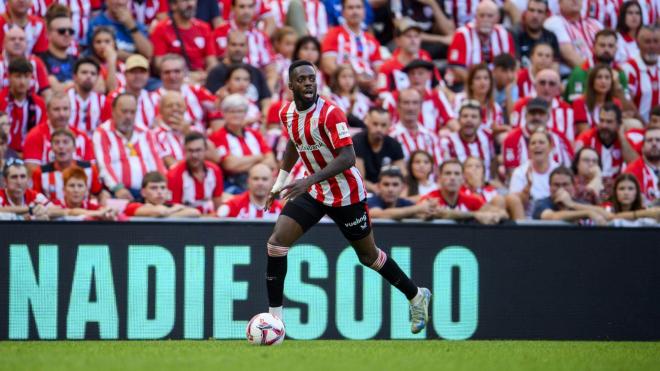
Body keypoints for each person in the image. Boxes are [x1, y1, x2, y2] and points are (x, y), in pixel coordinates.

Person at [263, 60, 432, 333]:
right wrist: (279, 183)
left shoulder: (331, 113)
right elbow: (295, 142)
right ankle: (275, 320)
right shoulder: (287, 113)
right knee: (276, 244)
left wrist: (308, 179)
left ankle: (416, 295)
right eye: (302, 79)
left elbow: (348, 157)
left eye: (312, 78)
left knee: (369, 256)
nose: (308, 83)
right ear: (291, 85)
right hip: (316, 191)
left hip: (346, 194)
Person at [93, 93, 168, 200]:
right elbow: (103, 164)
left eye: (132, 112)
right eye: (124, 111)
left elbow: (156, 161)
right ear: (113, 111)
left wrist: (162, 187)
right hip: (117, 192)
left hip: (147, 193)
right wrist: (117, 187)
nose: (128, 116)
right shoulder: (103, 133)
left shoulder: (145, 132)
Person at [209, 93, 276, 193]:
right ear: (224, 114)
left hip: (259, 181)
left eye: (240, 111)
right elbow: (230, 165)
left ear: (245, 114)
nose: (236, 115)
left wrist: (242, 163)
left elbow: (271, 162)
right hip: (234, 185)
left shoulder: (254, 134)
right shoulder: (218, 136)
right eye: (232, 111)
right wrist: (258, 157)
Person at [446, 0, 515, 85]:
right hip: (465, 86)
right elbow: (457, 69)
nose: (485, 19)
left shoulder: (504, 35)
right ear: (475, 17)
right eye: (481, 15)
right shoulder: (462, 35)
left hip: (497, 87)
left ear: (497, 18)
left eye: (490, 16)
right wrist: (480, 85)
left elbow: (511, 65)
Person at [321, 0, 382, 94]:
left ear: (364, 11)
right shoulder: (334, 34)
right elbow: (327, 65)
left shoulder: (371, 40)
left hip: (369, 90)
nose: (355, 11)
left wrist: (374, 83)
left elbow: (380, 69)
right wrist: (352, 79)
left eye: (358, 7)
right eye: (350, 8)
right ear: (343, 12)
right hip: (341, 91)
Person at [419, 159, 507, 224]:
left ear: (462, 179)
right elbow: (443, 214)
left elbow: (503, 214)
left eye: (457, 174)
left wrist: (496, 216)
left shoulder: (471, 200)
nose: (452, 178)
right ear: (439, 178)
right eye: (448, 173)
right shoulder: (431, 198)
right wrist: (475, 215)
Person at [31, 127, 104, 204]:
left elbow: (100, 194)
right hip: (53, 214)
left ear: (74, 147)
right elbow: (36, 199)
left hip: (83, 214)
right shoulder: (41, 172)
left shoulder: (89, 168)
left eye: (65, 142)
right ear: (51, 148)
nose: (61, 147)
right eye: (57, 143)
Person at [23, 94, 94, 173]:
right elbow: (32, 172)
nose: (61, 114)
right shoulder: (35, 136)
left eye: (65, 109)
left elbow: (90, 170)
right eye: (56, 109)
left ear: (71, 111)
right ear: (47, 112)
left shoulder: (82, 137)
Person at [382, 59, 457, 134]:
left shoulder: (436, 96)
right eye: (412, 73)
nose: (416, 77)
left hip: (430, 142)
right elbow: (383, 121)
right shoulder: (394, 97)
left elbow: (450, 120)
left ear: (429, 75)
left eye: (420, 73)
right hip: (399, 140)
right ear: (407, 76)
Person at [503, 97, 574, 175]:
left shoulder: (559, 137)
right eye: (533, 113)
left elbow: (570, 167)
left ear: (548, 117)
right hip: (524, 183)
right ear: (525, 115)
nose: (536, 117)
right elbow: (512, 173)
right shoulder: (512, 138)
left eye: (541, 113)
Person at [205, 30, 271, 111]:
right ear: (227, 46)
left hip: (255, 118)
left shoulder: (256, 71)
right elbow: (213, 102)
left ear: (247, 47)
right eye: (234, 45)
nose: (237, 49)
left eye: (241, 45)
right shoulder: (216, 73)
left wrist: (264, 114)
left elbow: (266, 98)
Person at [376, 18, 440, 100]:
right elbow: (382, 96)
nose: (413, 40)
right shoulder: (387, 67)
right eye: (408, 36)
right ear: (397, 40)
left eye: (416, 36)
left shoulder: (425, 58)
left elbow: (438, 86)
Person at [151, 54, 220, 129]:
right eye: (167, 72)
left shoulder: (196, 91)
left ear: (184, 73)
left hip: (197, 137)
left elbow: (219, 106)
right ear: (160, 74)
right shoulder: (151, 98)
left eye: (177, 71)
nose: (172, 76)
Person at [151, 0, 217, 76]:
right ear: (173, 5)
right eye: (185, 1)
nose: (191, 4)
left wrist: (207, 76)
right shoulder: (161, 29)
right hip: (174, 78)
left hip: (201, 78)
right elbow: (159, 64)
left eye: (193, 0)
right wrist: (187, 76)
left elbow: (212, 61)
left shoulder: (204, 28)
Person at [506, 129, 560, 220]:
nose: (537, 146)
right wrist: (527, 188)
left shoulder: (558, 170)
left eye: (541, 142)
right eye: (533, 143)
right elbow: (514, 203)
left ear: (550, 147)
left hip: (553, 217)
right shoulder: (520, 172)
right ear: (529, 149)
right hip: (527, 219)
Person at [510, 68, 576, 141]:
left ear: (558, 90)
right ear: (535, 86)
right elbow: (514, 135)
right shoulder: (521, 106)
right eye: (542, 83)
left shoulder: (567, 110)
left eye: (552, 84)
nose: (546, 88)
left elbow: (570, 141)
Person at [564, 29, 628, 103]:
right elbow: (575, 104)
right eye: (602, 45)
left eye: (610, 46)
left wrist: (617, 88)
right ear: (593, 47)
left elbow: (627, 108)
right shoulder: (581, 71)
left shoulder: (620, 73)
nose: (606, 49)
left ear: (616, 49)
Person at [168, 132, 224, 215]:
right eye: (190, 151)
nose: (194, 155)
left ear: (205, 150)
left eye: (198, 150)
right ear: (184, 151)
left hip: (211, 220)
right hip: (186, 222)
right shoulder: (174, 175)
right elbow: (174, 211)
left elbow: (218, 204)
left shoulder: (215, 171)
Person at [531, 166, 609, 224]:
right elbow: (551, 217)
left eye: (565, 184)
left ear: (573, 186)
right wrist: (587, 213)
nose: (561, 189)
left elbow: (606, 215)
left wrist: (572, 204)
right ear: (550, 187)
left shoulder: (579, 203)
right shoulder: (542, 203)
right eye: (556, 185)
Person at [0, 57, 46, 153]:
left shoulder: (39, 104)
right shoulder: (1, 100)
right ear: (9, 77)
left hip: (30, 153)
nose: (22, 82)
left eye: (26, 76)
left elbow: (41, 134)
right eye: (18, 76)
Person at [353, 107, 405, 192]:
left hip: (389, 189)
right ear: (367, 122)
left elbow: (402, 175)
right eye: (375, 124)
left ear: (389, 125)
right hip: (364, 191)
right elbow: (359, 179)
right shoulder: (357, 142)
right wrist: (377, 189)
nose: (379, 129)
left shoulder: (394, 145)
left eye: (383, 125)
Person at [441, 100, 495, 179]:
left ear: (480, 121)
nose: (469, 120)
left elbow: (493, 161)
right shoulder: (448, 142)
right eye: (465, 116)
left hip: (485, 185)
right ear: (459, 120)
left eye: (474, 116)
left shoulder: (487, 137)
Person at [388, 88, 444, 164]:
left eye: (415, 103)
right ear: (398, 107)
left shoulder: (431, 137)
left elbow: (438, 167)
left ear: (421, 107)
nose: (411, 108)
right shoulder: (390, 136)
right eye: (406, 103)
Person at [102, 54, 158, 129]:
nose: (138, 76)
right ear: (125, 74)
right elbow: (107, 126)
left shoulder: (155, 98)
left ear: (148, 75)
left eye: (142, 72)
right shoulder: (113, 97)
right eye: (133, 72)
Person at [543, 0, 602, 69]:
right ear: (560, 2)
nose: (574, 0)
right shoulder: (554, 22)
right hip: (574, 75)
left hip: (601, 72)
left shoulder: (595, 24)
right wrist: (595, 74)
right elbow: (569, 56)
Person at [85, 0, 153, 60]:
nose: (120, 2)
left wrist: (131, 26)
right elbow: (100, 53)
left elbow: (148, 53)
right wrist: (135, 58)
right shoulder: (96, 24)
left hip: (134, 71)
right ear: (106, 1)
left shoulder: (137, 25)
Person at [575, 101, 624, 180]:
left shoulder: (624, 140)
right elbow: (575, 170)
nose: (604, 125)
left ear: (619, 124)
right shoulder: (585, 139)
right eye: (601, 120)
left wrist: (622, 138)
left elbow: (635, 163)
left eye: (609, 122)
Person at [622, 26, 660, 124]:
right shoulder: (629, 69)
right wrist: (645, 125)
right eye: (647, 42)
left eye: (656, 41)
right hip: (639, 126)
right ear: (638, 44)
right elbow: (626, 103)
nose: (652, 46)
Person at [367, 166, 436, 220]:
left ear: (403, 187)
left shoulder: (405, 203)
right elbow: (381, 214)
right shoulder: (371, 201)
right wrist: (418, 208)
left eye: (395, 184)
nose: (390, 189)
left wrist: (430, 210)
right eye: (386, 184)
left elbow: (421, 215)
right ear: (378, 186)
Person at [390, 1, 455, 59]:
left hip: (432, 43)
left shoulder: (438, 2)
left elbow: (449, 31)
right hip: (409, 41)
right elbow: (404, 31)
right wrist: (441, 39)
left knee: (453, 47)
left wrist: (433, 4)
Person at [452, 64, 505, 133]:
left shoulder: (496, 108)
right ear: (471, 84)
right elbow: (453, 124)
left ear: (491, 83)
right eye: (478, 78)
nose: (482, 82)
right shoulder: (459, 100)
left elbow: (498, 133)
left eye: (486, 78)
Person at [123, 171, 201, 218]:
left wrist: (166, 214)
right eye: (154, 188)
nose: (159, 192)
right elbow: (159, 211)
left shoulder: (170, 206)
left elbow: (195, 212)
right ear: (143, 192)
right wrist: (176, 209)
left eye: (163, 188)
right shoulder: (133, 206)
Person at [572, 64, 623, 133]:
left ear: (611, 82)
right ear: (592, 81)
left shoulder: (616, 103)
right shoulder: (579, 103)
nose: (603, 81)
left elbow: (618, 129)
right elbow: (585, 133)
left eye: (607, 78)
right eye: (599, 77)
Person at [1, 25, 50, 97]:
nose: (17, 42)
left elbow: (46, 92)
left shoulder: (36, 63)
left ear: (27, 44)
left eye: (21, 39)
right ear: (4, 44)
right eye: (12, 39)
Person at [152, 91, 197, 167]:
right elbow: (171, 165)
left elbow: (214, 157)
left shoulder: (195, 131)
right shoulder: (155, 135)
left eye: (179, 105)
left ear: (185, 109)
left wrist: (188, 134)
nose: (175, 109)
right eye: (169, 106)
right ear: (160, 110)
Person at [511, 0, 560, 68]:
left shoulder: (551, 37)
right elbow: (516, 67)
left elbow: (555, 68)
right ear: (525, 13)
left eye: (540, 12)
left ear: (546, 15)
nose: (535, 16)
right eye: (531, 10)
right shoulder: (515, 34)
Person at [39, 5, 77, 92]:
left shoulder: (76, 60)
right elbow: (54, 89)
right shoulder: (40, 61)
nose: (67, 34)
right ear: (48, 34)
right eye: (61, 31)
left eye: (70, 31)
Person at [66, 58, 106, 137]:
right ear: (75, 76)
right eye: (84, 72)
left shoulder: (103, 102)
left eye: (93, 73)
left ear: (97, 78)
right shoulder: (64, 98)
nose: (89, 76)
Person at [624, 127, 660, 205]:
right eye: (649, 140)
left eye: (658, 140)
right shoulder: (632, 170)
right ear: (642, 147)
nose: (654, 143)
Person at [87, 26, 123, 93]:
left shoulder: (122, 65)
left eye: (107, 41)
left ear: (114, 43)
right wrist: (111, 62)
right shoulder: (90, 65)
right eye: (98, 42)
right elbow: (112, 90)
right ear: (92, 45)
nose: (102, 45)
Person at [492, 53, 518, 118]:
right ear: (494, 71)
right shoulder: (487, 84)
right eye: (504, 71)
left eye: (512, 71)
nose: (509, 76)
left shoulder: (512, 87)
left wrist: (508, 93)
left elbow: (512, 119)